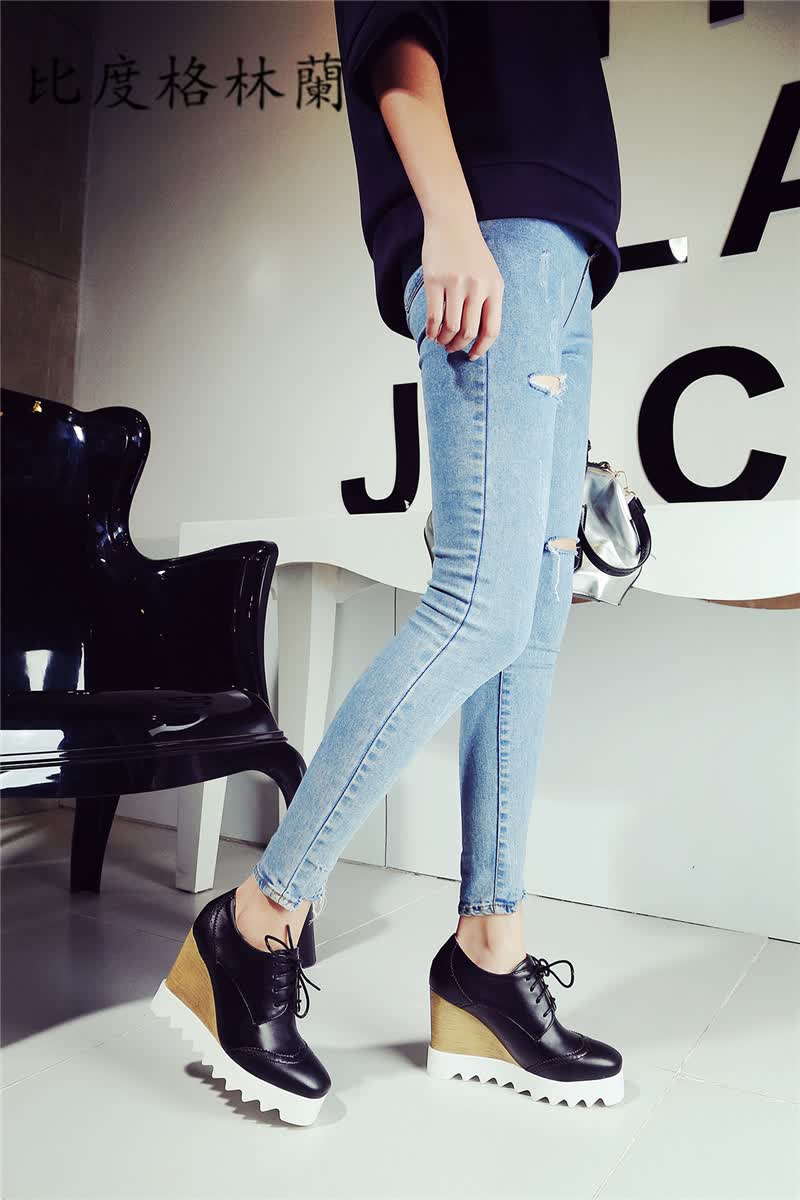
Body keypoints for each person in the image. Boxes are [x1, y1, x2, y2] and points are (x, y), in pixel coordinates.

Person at [151, 0, 625, 1125]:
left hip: (565, 253)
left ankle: (488, 957)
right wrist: (448, 217)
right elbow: (393, 27)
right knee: (479, 606)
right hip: (490, 224)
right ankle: (255, 924)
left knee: (528, 624)